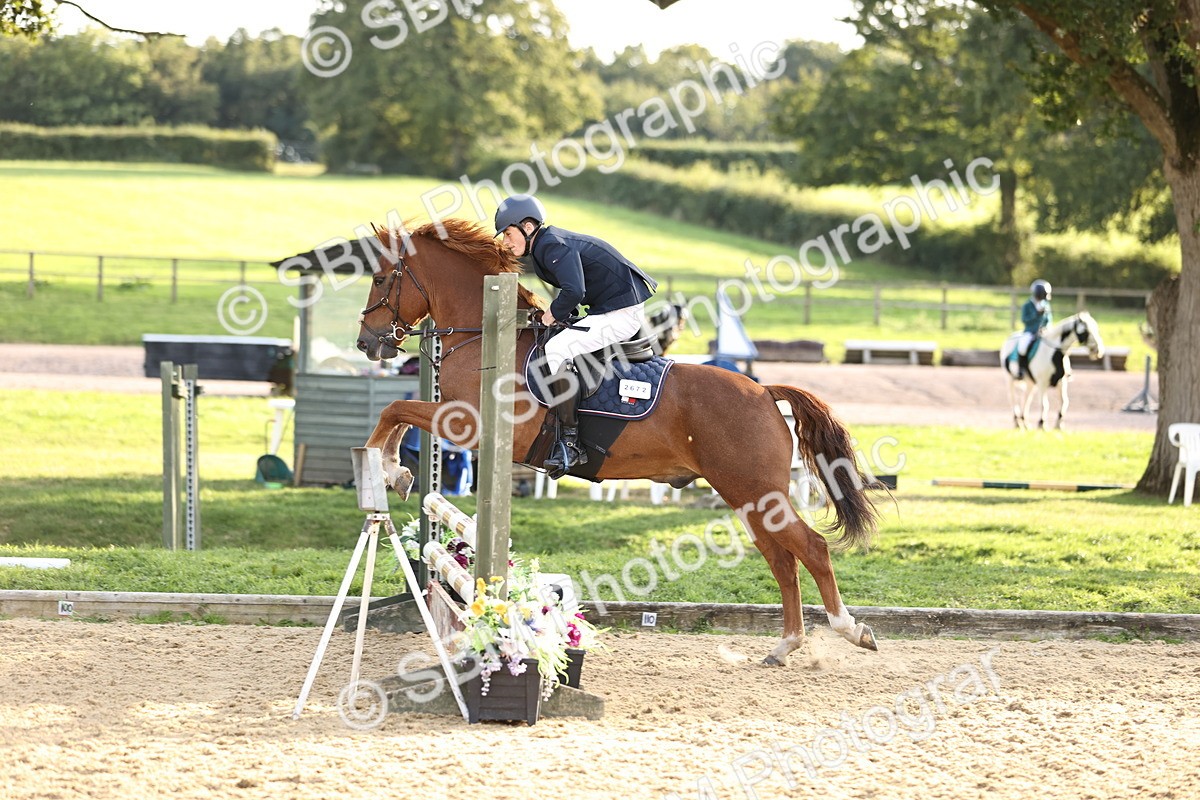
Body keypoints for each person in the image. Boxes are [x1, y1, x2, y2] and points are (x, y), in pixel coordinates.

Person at [495, 194, 658, 475]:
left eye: (508, 234)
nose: (506, 241)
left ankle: (570, 442)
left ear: (528, 226)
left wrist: (552, 314)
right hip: (610, 308)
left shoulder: (551, 245)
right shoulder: (546, 245)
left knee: (557, 349)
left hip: (621, 312)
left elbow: (574, 291)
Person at [1017, 279, 1053, 378]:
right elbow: (1025, 320)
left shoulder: (1046, 304)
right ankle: (1022, 369)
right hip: (1030, 332)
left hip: (1044, 332)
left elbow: (1049, 319)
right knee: (1022, 347)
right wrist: (1036, 314)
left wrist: (1046, 327)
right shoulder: (1027, 305)